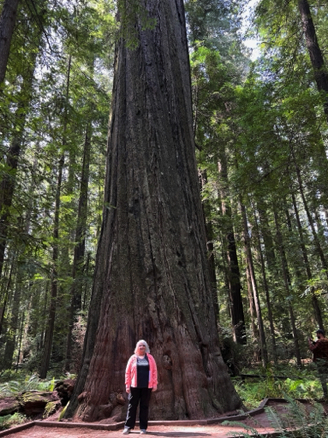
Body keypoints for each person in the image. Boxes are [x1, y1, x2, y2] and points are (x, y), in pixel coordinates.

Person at [123, 340, 158, 435]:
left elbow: (154, 371)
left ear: (146, 347)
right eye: (140, 345)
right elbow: (128, 372)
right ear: (137, 347)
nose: (141, 347)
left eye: (143, 345)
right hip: (134, 386)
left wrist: (155, 384)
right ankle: (128, 427)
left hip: (147, 386)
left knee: (144, 407)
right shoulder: (133, 358)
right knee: (132, 406)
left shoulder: (150, 358)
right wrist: (127, 385)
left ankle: (143, 428)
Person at [308, 329, 328, 398]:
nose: (316, 335)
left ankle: (326, 394)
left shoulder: (320, 341)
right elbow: (320, 347)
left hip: (321, 362)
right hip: (327, 361)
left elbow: (313, 349)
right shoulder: (326, 341)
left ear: (320, 334)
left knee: (323, 378)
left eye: (317, 334)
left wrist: (309, 343)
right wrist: (313, 342)